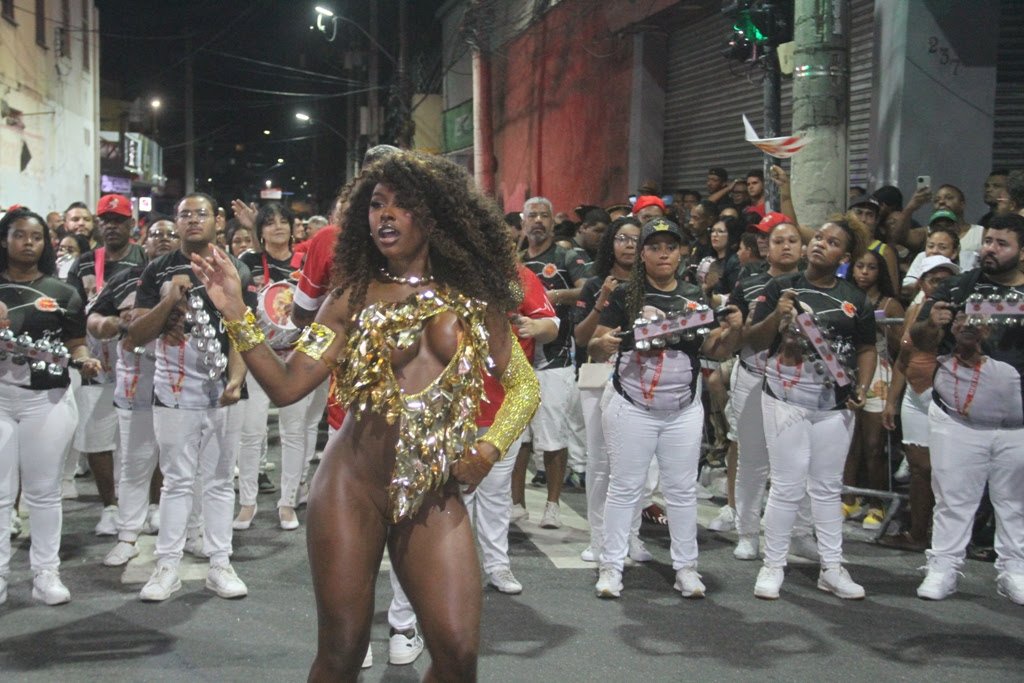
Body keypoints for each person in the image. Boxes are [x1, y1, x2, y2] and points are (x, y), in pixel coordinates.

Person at [191, 151, 540, 680]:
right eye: (377, 205)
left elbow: (524, 386)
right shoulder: (349, 297)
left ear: (437, 216)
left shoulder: (473, 298)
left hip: (431, 487)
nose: (385, 216)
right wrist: (238, 314)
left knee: (458, 651)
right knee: (344, 649)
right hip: (352, 484)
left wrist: (489, 450)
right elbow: (287, 388)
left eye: (402, 206)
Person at [588, 218, 743, 599]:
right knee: (624, 488)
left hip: (683, 408)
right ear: (642, 254)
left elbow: (713, 350)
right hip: (633, 405)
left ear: (681, 253)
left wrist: (735, 330)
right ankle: (610, 567)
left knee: (681, 491)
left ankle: (686, 569)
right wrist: (605, 342)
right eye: (654, 247)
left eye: (670, 247)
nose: (663, 254)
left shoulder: (694, 296)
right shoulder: (625, 294)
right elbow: (594, 344)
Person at [126, 192, 255, 603]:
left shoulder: (234, 268)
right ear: (176, 223)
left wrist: (237, 377)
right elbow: (134, 337)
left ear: (218, 221)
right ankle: (167, 566)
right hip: (173, 389)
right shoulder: (156, 270)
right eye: (185, 215)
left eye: (201, 213)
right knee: (177, 482)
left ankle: (220, 562)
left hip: (224, 390)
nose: (193, 220)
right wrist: (168, 301)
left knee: (219, 480)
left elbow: (242, 329)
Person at [746, 217, 877, 600]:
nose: (820, 244)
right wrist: (777, 316)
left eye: (832, 242)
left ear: (845, 256)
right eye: (818, 236)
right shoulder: (781, 286)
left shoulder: (856, 298)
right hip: (785, 398)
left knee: (826, 488)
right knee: (787, 485)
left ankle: (832, 568)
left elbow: (867, 348)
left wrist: (863, 387)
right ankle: (773, 566)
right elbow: (753, 340)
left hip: (835, 404)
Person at [912, 213, 1024, 605]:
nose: (990, 249)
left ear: (1021, 252)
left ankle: (1015, 569)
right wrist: (937, 322)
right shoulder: (959, 286)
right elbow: (919, 339)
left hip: (1017, 423)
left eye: (1002, 243)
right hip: (959, 418)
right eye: (988, 241)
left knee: (1015, 501)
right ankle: (943, 567)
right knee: (954, 499)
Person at [0, 208, 101, 606]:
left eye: (36, 237)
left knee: (43, 493)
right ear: (4, 239)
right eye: (19, 235)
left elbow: (77, 341)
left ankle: (46, 573)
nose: (28, 243)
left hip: (48, 400)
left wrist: (84, 359)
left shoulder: (63, 293)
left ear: (46, 243)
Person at [714, 214, 818, 562]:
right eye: (778, 241)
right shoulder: (749, 283)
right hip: (754, 375)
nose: (785, 245)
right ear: (767, 248)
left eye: (792, 240)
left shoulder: (815, 284)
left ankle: (801, 533)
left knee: (800, 460)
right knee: (752, 458)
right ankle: (747, 532)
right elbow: (738, 332)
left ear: (802, 248)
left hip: (799, 381)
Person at [89, 216, 181, 567]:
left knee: (180, 465)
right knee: (133, 460)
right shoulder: (125, 279)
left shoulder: (198, 279)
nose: (164, 240)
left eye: (170, 235)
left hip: (183, 385)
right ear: (145, 242)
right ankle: (127, 534)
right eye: (156, 235)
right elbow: (93, 320)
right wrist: (114, 323)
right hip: (136, 383)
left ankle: (184, 533)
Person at [66, 194, 149, 537]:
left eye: (119, 219)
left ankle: (148, 504)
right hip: (96, 366)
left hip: (139, 362)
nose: (112, 226)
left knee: (143, 440)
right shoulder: (85, 263)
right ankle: (111, 506)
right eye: (106, 220)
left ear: (131, 224)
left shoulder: (144, 260)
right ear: (99, 225)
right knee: (97, 437)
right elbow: (70, 312)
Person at [572, 216, 651, 564]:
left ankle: (630, 536)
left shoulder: (656, 284)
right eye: (622, 238)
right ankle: (599, 537)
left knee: (639, 467)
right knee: (601, 462)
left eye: (636, 239)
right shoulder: (594, 284)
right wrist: (602, 300)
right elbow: (581, 338)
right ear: (611, 244)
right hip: (600, 377)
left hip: (644, 379)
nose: (629, 245)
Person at [235, 203, 311, 531]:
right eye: (270, 223)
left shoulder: (306, 263)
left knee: (294, 432)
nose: (278, 227)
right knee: (251, 431)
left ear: (294, 228)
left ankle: (287, 502)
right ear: (260, 231)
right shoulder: (248, 262)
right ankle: (247, 502)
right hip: (258, 354)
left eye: (284, 221)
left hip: (297, 354)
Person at [517, 196, 588, 529]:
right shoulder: (515, 262)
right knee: (518, 437)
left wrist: (558, 297)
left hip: (556, 358)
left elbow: (589, 287)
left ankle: (553, 505)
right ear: (523, 221)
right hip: (518, 359)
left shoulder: (566, 255)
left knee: (552, 437)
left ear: (552, 222)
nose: (538, 221)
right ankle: (516, 504)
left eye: (544, 215)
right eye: (532, 215)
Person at [881, 255, 959, 550]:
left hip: (943, 397)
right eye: (935, 279)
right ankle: (917, 533)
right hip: (913, 396)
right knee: (918, 468)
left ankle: (946, 537)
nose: (940, 285)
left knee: (944, 470)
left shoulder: (956, 311)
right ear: (923, 282)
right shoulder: (915, 309)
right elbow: (903, 358)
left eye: (946, 280)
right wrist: (891, 400)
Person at [841, 248, 904, 529]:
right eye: (859, 266)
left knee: (873, 445)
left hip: (880, 373)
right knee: (848, 443)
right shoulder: (845, 297)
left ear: (881, 272)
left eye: (871, 267)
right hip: (849, 369)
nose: (864, 272)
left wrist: (885, 329)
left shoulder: (890, 304)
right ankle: (850, 496)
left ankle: (877, 503)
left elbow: (902, 348)